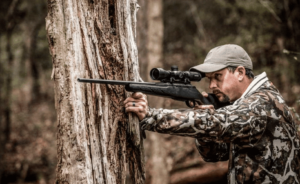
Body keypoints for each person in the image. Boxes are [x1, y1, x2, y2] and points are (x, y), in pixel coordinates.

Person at [124, 44, 300, 184]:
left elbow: (218, 123)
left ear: (240, 72)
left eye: (218, 76)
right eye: (209, 79)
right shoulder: (254, 101)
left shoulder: (263, 103)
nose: (211, 86)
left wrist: (149, 115)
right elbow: (215, 154)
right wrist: (206, 124)